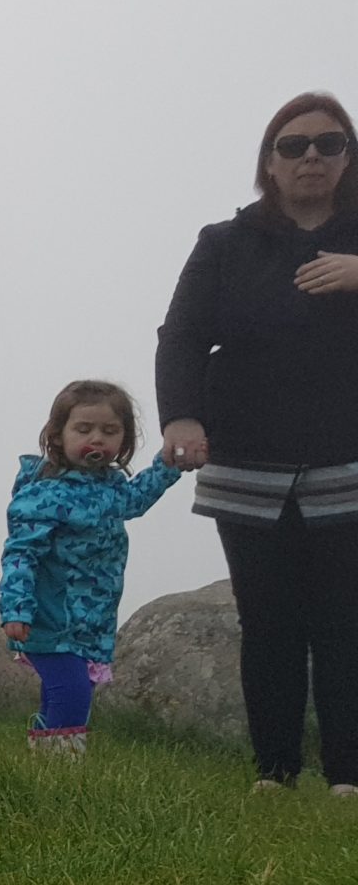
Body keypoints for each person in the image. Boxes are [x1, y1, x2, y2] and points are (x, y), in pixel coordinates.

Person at [157, 90, 358, 795]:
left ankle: (348, 780)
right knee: (268, 622)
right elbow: (181, 334)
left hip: (348, 456)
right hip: (246, 458)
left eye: (329, 143)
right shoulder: (225, 243)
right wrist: (180, 416)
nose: (311, 157)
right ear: (268, 162)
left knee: (346, 623)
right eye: (293, 145)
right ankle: (273, 773)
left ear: (348, 156)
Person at [0, 380, 184, 756]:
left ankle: (40, 765)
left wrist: (168, 463)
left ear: (124, 440)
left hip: (91, 623)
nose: (97, 439)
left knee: (62, 696)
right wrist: (16, 608)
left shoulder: (112, 488)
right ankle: (60, 776)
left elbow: (136, 499)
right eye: (84, 429)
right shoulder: (44, 493)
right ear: (57, 435)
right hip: (50, 619)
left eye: (110, 431)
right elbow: (21, 553)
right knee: (72, 695)